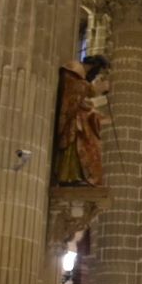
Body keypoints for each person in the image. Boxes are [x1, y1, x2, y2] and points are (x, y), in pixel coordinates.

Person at [54, 55, 110, 186]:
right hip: (73, 120)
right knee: (79, 144)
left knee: (90, 143)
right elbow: (75, 92)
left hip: (78, 117)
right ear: (94, 66)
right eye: (97, 73)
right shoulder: (73, 69)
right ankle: (70, 176)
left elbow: (85, 98)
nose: (95, 76)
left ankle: (78, 176)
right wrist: (96, 89)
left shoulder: (81, 76)